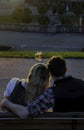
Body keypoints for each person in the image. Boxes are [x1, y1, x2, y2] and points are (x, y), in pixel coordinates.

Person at [1, 56, 84, 118]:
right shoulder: (82, 83)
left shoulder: (51, 93)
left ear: (50, 74)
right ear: (65, 69)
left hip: (62, 126)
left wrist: (6, 102)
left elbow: (25, 113)